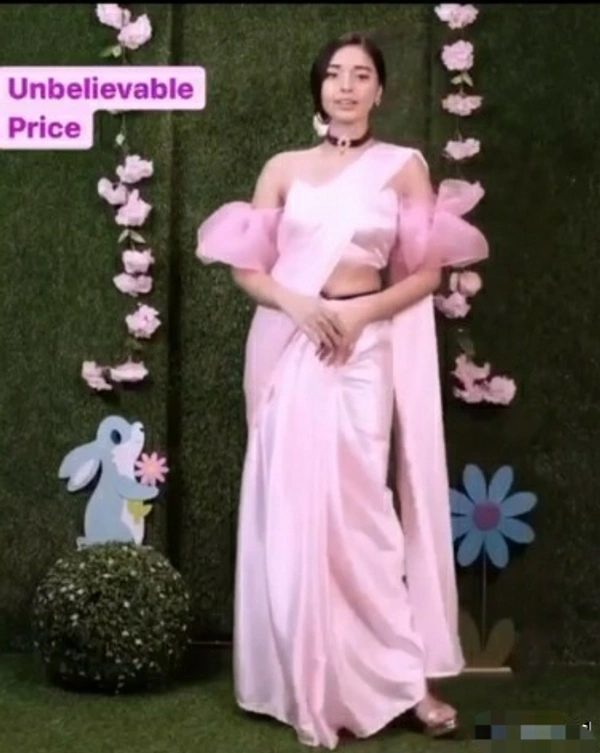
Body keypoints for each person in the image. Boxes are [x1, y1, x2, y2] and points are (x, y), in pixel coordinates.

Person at [195, 31, 489, 749]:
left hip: (364, 345)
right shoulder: (283, 168)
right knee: (293, 506)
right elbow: (248, 267)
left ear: (380, 91)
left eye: (361, 75)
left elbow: (426, 273)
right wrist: (298, 305)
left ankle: (403, 681)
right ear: (319, 88)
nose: (347, 87)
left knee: (364, 514)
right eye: (335, 74)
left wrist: (358, 315)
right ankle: (300, 677)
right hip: (291, 343)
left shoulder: (403, 168)